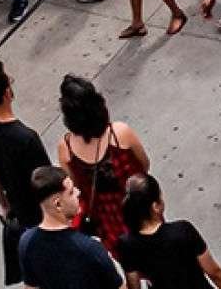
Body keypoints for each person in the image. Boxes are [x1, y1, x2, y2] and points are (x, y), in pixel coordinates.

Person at [0, 61, 54, 289]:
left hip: (17, 210)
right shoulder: (27, 138)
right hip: (37, 213)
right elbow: (47, 182)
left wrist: (5, 205)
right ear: (7, 93)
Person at [56, 74, 151, 258]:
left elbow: (76, 189)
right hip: (140, 211)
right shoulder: (120, 134)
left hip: (109, 223)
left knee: (129, 264)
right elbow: (145, 165)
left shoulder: (65, 149)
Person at [17, 165, 124, 289]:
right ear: (58, 204)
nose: (78, 193)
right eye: (71, 192)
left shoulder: (27, 243)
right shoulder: (89, 248)